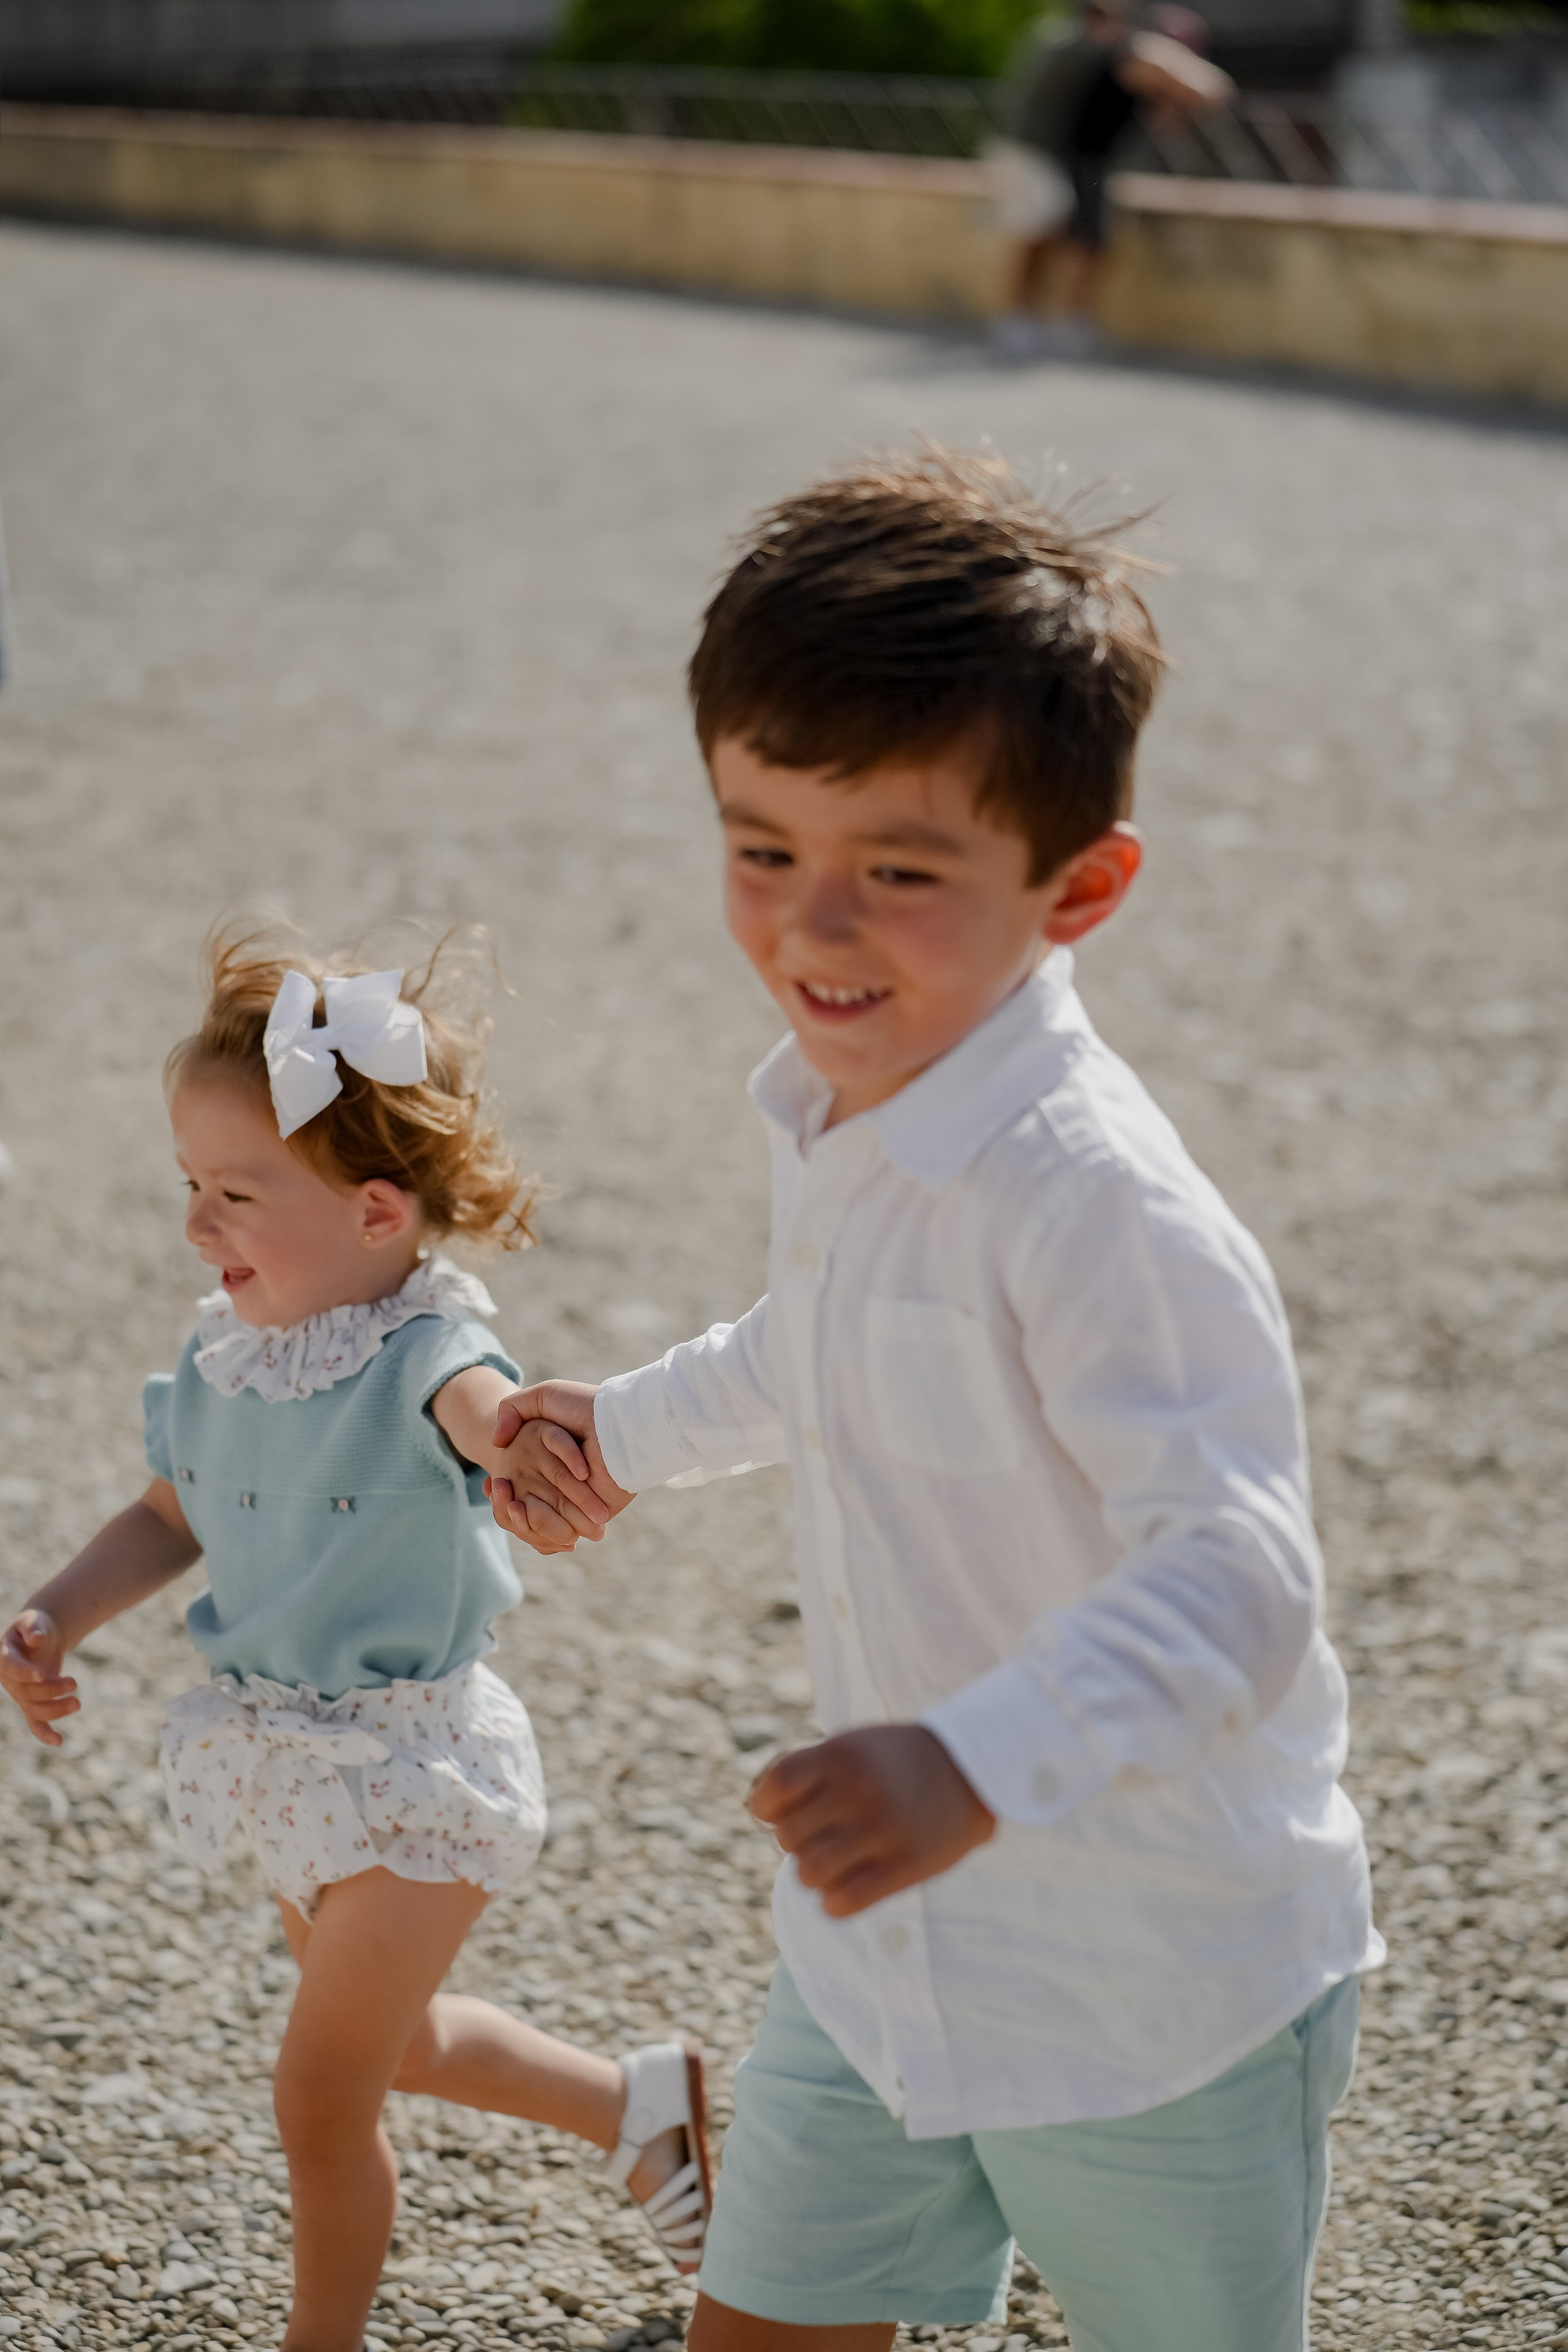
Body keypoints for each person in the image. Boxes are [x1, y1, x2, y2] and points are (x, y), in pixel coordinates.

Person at [488, 448, 1383, 2352]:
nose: (813, 931)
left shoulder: (1095, 1197)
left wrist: (972, 1756)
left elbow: (1239, 1575)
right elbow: (819, 1344)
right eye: (760, 848)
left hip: (1156, 1985)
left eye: (896, 872)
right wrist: (625, 1429)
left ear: (1081, 888)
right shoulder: (847, 1098)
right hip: (881, 1961)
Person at [0, 930, 713, 2352]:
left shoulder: (423, 1348)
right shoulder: (231, 1348)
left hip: (409, 1766)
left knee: (320, 2096)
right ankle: (636, 2103)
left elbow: (480, 1408)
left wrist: (519, 1445)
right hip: (284, 1758)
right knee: (403, 2044)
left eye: (237, 1194)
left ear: (378, 1214)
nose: (199, 1226)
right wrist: (58, 1609)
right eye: (190, 1187)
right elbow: (169, 1508)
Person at [990, 1, 1234, 360]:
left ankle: (1037, 324)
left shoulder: (1092, 47)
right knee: (1061, 237)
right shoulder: (1137, 53)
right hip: (1071, 158)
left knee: (1062, 237)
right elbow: (1212, 90)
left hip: (1073, 159)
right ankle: (1045, 324)